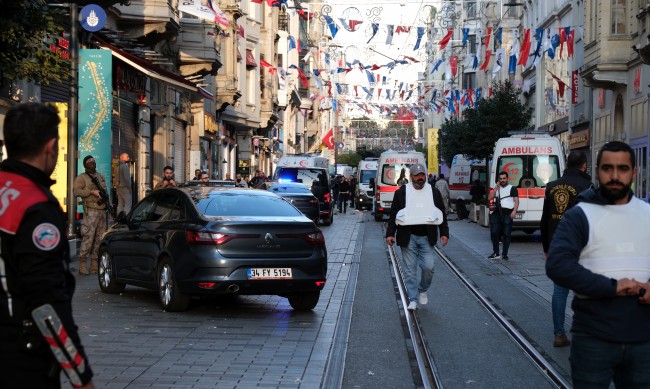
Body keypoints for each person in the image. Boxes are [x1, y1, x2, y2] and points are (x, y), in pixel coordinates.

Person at [0, 103, 94, 388]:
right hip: (19, 360)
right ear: (51, 147)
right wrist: (81, 378)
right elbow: (47, 305)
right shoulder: (36, 206)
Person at [546, 141, 650, 388]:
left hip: (643, 339)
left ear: (633, 172)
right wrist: (613, 287)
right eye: (607, 168)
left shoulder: (646, 214)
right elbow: (558, 265)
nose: (615, 175)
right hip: (594, 339)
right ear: (596, 171)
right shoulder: (580, 215)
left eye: (622, 168)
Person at [540, 150, 592, 348]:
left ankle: (559, 334)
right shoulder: (587, 186)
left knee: (559, 290)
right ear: (584, 165)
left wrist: (546, 247)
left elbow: (545, 220)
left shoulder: (551, 187)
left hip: (557, 244)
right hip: (581, 244)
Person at [386, 163, 449, 310]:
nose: (420, 178)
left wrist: (444, 233)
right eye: (417, 175)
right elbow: (394, 214)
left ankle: (423, 290)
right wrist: (390, 233)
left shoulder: (433, 192)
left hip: (427, 236)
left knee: (429, 267)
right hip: (408, 237)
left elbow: (441, 213)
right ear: (411, 177)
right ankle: (413, 299)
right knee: (409, 270)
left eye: (422, 175)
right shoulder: (401, 193)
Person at [73, 155, 109, 275]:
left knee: (99, 239)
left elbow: (105, 192)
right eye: (89, 161)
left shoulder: (99, 176)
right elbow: (76, 191)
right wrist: (91, 192)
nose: (92, 163)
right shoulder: (82, 178)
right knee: (88, 238)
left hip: (102, 211)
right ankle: (82, 265)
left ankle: (94, 264)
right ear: (85, 164)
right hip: (91, 211)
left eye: (93, 161)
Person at [487, 171, 519, 261]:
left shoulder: (512, 188)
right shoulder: (497, 189)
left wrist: (514, 211)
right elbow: (489, 198)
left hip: (507, 213)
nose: (502, 180)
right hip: (497, 212)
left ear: (507, 178)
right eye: (500, 179)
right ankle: (496, 253)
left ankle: (505, 254)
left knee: (506, 234)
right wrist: (495, 189)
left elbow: (516, 200)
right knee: (494, 233)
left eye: (504, 178)